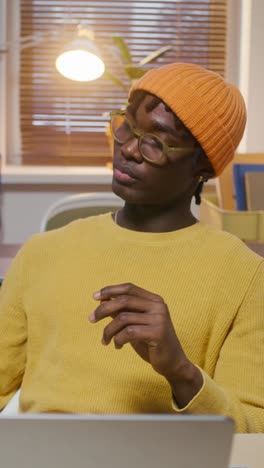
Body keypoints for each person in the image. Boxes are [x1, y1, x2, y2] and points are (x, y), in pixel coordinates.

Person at [0, 63, 263, 433]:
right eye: (127, 126)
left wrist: (182, 372)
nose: (128, 149)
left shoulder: (246, 276)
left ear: (202, 165)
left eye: (155, 141)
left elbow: (254, 433)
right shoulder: (42, 252)